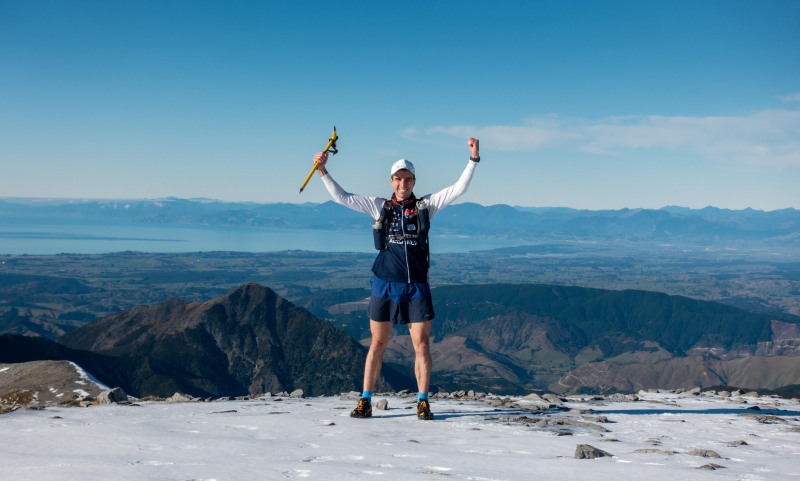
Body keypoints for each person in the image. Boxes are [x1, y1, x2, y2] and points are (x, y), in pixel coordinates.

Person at [313, 138, 481, 420]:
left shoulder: (427, 205)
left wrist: (473, 160)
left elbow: (458, 189)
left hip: (416, 284)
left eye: (408, 179)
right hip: (384, 283)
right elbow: (343, 197)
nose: (403, 183)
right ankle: (365, 400)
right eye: (399, 178)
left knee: (422, 345)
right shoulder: (378, 206)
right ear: (391, 181)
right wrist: (322, 172)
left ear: (414, 181)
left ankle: (423, 401)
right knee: (377, 343)